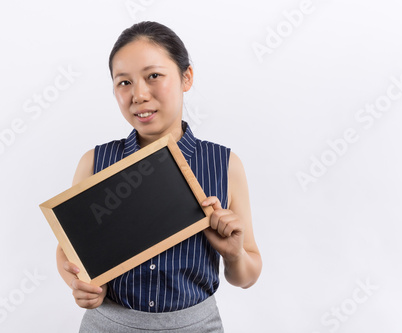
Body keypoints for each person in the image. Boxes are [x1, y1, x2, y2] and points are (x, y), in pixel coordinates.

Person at [56, 21, 262, 332]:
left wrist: (233, 254)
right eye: (123, 82)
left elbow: (246, 275)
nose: (138, 94)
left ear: (186, 77)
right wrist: (77, 282)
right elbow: (67, 251)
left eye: (153, 76)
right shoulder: (95, 162)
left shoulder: (225, 164)